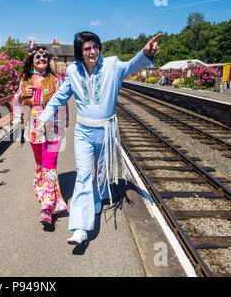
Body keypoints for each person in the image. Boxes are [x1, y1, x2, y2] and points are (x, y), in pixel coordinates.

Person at [38, 31, 161, 244]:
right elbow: (61, 95)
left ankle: (95, 199)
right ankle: (80, 228)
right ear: (80, 53)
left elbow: (131, 65)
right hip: (83, 132)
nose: (92, 51)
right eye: (87, 48)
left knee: (101, 172)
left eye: (95, 46)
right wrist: (44, 117)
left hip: (106, 131)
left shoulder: (112, 65)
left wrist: (145, 53)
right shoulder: (72, 71)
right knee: (84, 175)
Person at [10, 46, 69, 226]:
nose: (42, 58)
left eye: (45, 56)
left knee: (50, 164)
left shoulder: (56, 79)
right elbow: (16, 102)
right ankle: (43, 188)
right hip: (33, 127)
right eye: (38, 56)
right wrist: (22, 96)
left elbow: (64, 100)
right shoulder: (25, 79)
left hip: (53, 126)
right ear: (32, 60)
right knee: (40, 163)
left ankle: (47, 207)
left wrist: (65, 120)